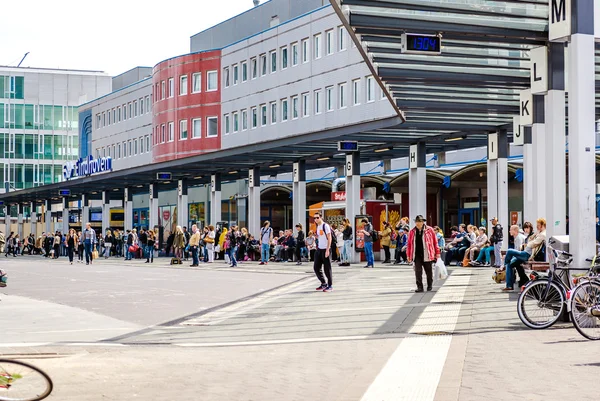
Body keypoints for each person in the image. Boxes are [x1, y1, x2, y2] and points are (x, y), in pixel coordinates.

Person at [503, 220, 546, 291]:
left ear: (542, 225)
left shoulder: (543, 234)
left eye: (538, 225)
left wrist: (527, 244)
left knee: (509, 251)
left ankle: (505, 265)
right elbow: (531, 239)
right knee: (510, 265)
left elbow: (533, 243)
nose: (537, 226)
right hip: (525, 252)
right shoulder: (538, 233)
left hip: (527, 254)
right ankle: (509, 285)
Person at [406, 215, 441, 293]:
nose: (417, 223)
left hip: (427, 253)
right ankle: (420, 287)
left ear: (422, 222)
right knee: (417, 271)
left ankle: (429, 285)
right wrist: (408, 255)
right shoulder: (412, 231)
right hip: (417, 254)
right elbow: (409, 244)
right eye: (416, 222)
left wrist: (437, 252)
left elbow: (435, 242)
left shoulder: (430, 230)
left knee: (428, 271)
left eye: (419, 222)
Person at [313, 212, 333, 292]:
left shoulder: (325, 226)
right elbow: (321, 237)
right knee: (316, 267)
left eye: (317, 217)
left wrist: (327, 249)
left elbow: (329, 237)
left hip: (325, 249)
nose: (316, 219)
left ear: (321, 217)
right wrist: (316, 237)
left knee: (327, 268)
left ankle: (330, 285)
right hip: (319, 249)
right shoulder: (318, 226)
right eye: (314, 218)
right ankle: (323, 283)